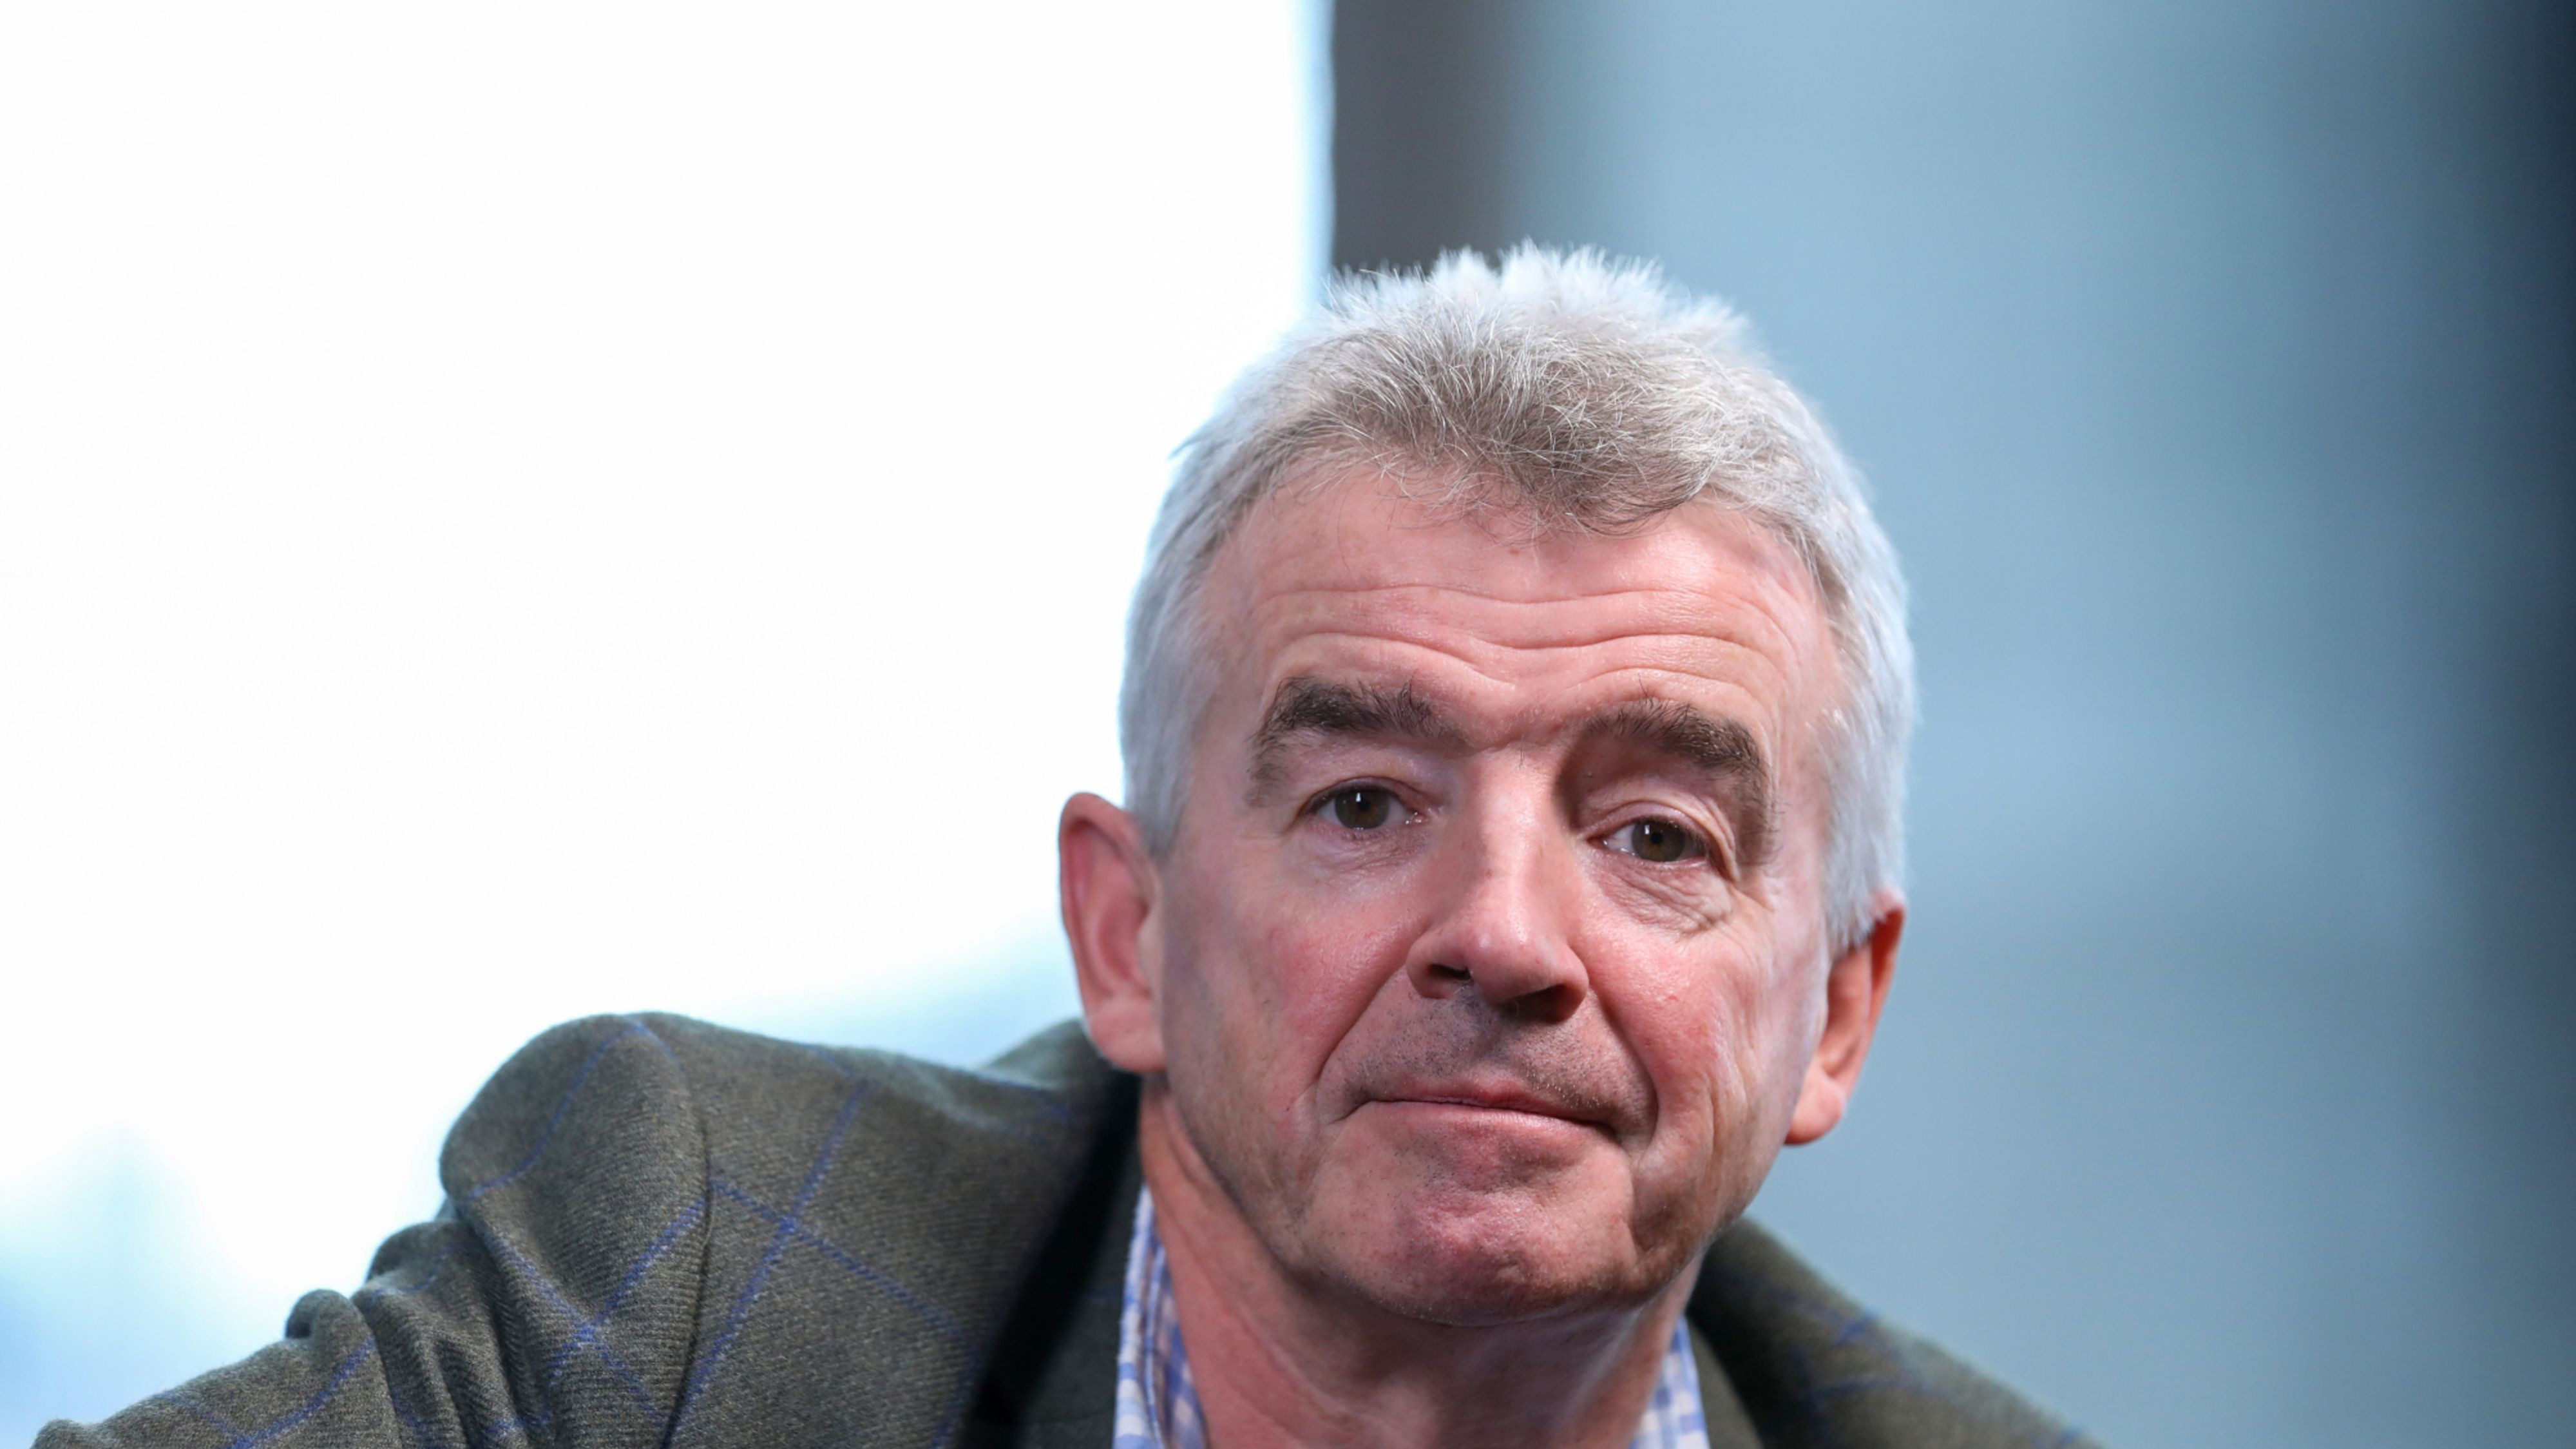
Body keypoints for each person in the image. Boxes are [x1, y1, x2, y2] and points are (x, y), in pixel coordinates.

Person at [39, 247, 2095, 1449]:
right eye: (1365, 802)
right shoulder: (693, 1285)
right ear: (1127, 930)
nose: (1502, 931)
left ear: (1837, 1010)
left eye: (1654, 832)